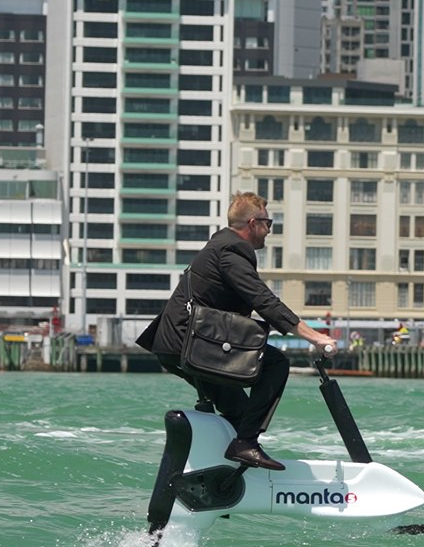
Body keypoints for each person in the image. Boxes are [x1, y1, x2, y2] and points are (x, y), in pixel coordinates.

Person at [137, 192, 335, 470]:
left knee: (240, 412)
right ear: (253, 224)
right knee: (276, 364)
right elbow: (262, 299)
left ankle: (220, 469)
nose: (268, 231)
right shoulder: (232, 250)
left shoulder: (219, 245)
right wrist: (314, 336)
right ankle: (245, 445)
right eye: (268, 224)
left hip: (177, 344)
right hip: (191, 343)